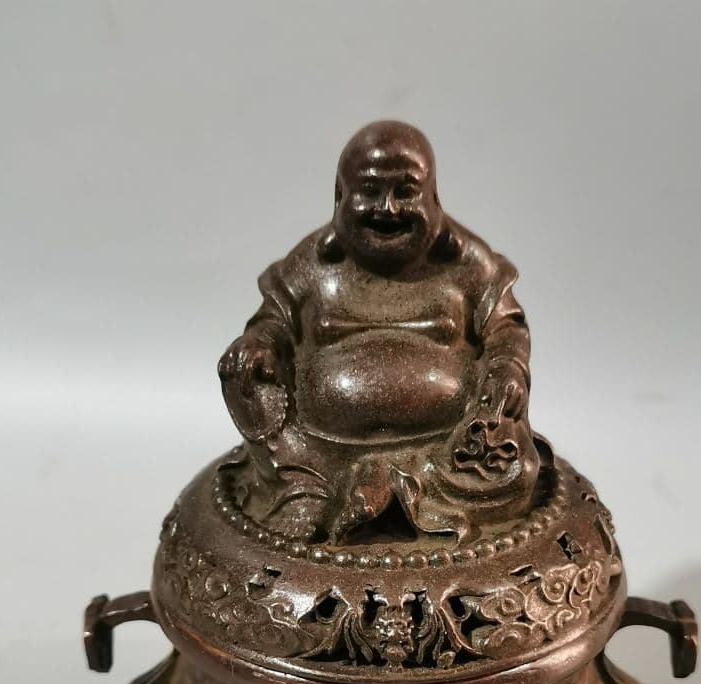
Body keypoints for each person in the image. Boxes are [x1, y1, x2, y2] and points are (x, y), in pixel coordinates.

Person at [219, 120, 540, 543]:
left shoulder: (466, 262)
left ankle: (415, 496)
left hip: (449, 454)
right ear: (340, 197)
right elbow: (274, 319)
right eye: (369, 191)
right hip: (317, 452)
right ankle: (304, 489)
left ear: (433, 197)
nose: (387, 209)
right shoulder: (313, 264)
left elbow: (504, 325)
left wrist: (506, 367)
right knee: (243, 378)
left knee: (515, 469)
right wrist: (257, 344)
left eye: (405, 191)